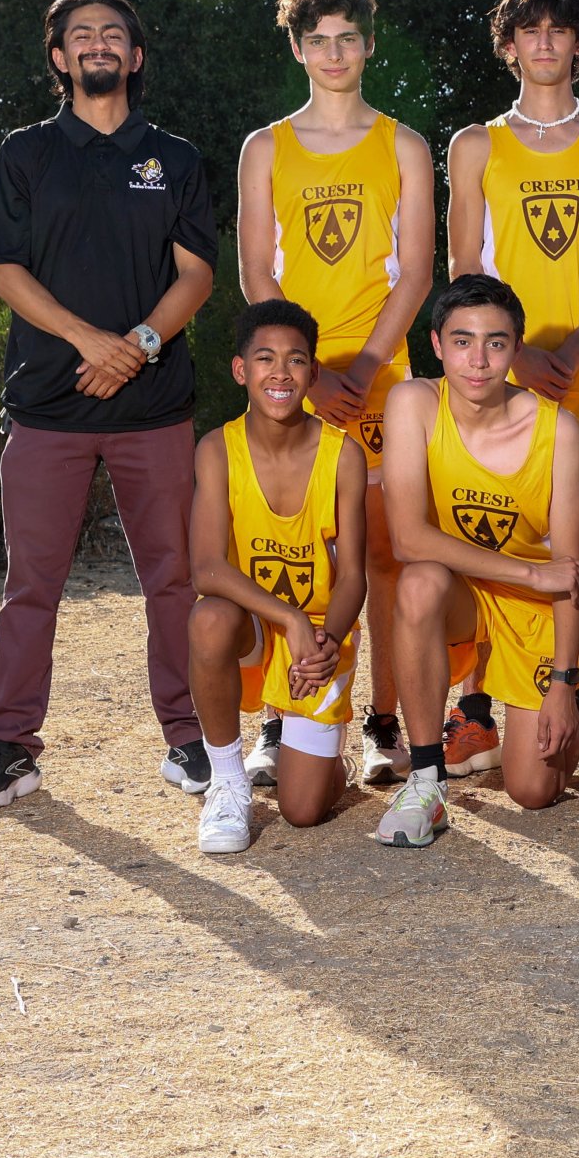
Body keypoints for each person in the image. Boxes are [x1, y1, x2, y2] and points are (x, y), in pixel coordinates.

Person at [0, 0, 216, 810]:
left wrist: (136, 347)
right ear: (61, 59)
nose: (98, 45)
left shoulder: (173, 158)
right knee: (31, 585)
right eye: (81, 36)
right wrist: (87, 342)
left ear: (135, 58)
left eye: (114, 34)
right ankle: (9, 750)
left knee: (174, 579)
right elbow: (4, 269)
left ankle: (192, 739)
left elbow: (198, 274)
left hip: (155, 407)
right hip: (48, 406)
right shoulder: (25, 154)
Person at [446, 0, 579, 771]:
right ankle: (473, 710)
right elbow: (466, 266)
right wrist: (521, 355)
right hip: (496, 373)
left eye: (558, 30)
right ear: (507, 46)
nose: (543, 42)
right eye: (527, 30)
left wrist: (576, 349)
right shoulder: (474, 145)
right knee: (489, 529)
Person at [236, 0, 434, 791]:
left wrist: (359, 366)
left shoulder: (405, 144)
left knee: (385, 553)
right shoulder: (264, 147)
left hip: (381, 372)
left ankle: (383, 724)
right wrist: (306, 374)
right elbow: (255, 272)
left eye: (347, 38)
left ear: (369, 45)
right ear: (296, 48)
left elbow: (418, 271)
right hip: (292, 377)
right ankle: (281, 719)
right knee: (289, 547)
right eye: (316, 40)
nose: (333, 52)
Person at [370, 275, 579, 847]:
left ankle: (562, 701)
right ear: (438, 345)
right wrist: (528, 571)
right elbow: (408, 538)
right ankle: (426, 781)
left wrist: (564, 682)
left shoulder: (558, 430)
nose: (478, 359)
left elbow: (568, 573)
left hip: (532, 609)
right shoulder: (414, 402)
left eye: (496, 343)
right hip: (462, 594)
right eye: (462, 341)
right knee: (416, 584)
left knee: (533, 791)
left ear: (517, 351)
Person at [188, 301, 368, 853]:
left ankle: (323, 753)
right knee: (209, 618)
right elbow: (207, 567)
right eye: (265, 359)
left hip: (318, 635)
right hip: (260, 628)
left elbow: (354, 576)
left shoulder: (343, 455)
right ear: (241, 370)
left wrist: (326, 640)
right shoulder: (218, 448)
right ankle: (226, 779)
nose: (281, 373)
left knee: (302, 811)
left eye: (296, 360)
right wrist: (288, 617)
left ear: (314, 373)